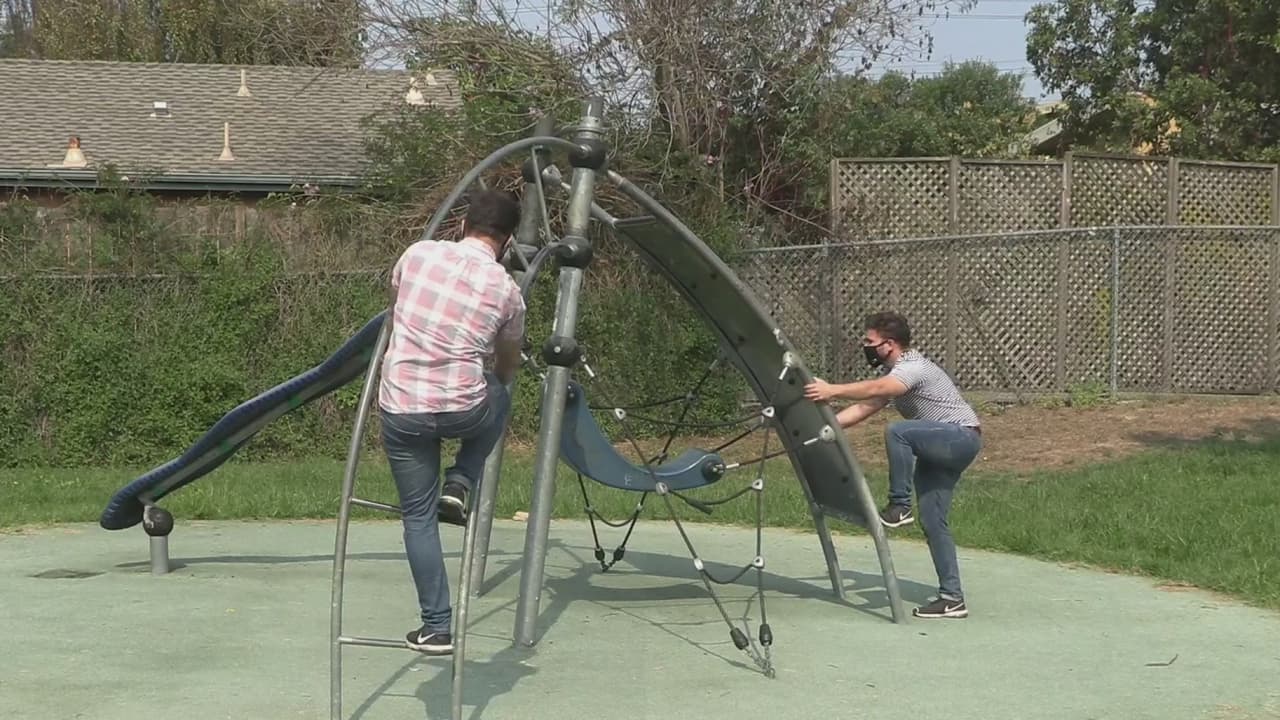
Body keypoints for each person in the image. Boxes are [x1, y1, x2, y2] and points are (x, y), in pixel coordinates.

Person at [378, 190, 527, 654]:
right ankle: (461, 479)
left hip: (402, 405)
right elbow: (508, 361)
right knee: (500, 392)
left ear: (462, 224)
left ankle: (436, 627)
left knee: (417, 518)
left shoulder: (417, 254)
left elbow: (395, 300)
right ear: (507, 241)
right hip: (464, 408)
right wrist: (495, 379)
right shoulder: (507, 291)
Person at [803, 311, 982, 619]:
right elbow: (864, 406)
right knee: (933, 521)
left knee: (898, 431)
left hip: (960, 437)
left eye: (869, 341)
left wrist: (831, 390)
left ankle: (900, 506)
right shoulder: (894, 373)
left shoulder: (912, 367)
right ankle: (952, 598)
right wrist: (818, 431)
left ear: (889, 344)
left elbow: (878, 389)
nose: (865, 346)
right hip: (936, 447)